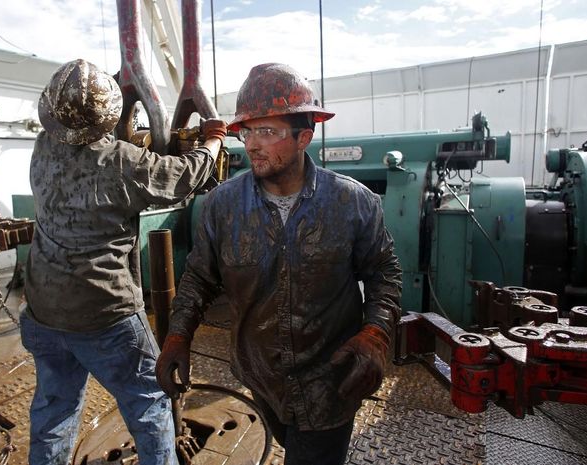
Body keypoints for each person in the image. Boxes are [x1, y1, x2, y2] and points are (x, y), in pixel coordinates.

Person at [156, 63, 402, 465]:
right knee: (290, 439)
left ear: (304, 136)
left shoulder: (353, 204)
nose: (252, 144)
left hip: (330, 383)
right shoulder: (222, 207)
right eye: (247, 131)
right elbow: (200, 276)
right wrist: (178, 336)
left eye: (267, 132)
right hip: (261, 377)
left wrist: (376, 333)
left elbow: (384, 274)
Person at [21, 58, 227, 465]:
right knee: (148, 399)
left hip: (43, 310)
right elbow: (182, 178)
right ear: (110, 113)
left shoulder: (42, 147)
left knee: (53, 411)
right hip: (105, 314)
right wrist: (213, 142)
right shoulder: (121, 162)